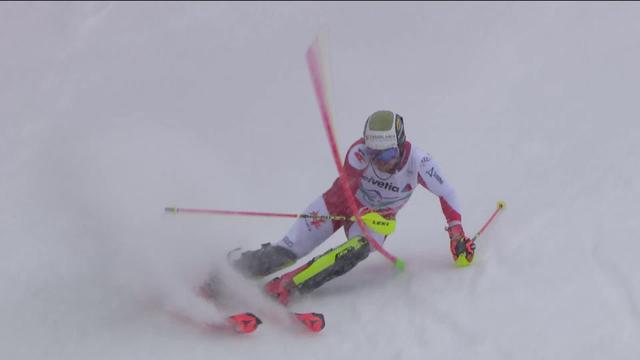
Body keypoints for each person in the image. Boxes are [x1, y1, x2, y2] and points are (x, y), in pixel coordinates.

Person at [229, 110, 475, 305]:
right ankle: (231, 273)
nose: (381, 161)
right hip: (339, 203)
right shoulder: (359, 152)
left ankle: (286, 288)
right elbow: (347, 189)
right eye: (374, 154)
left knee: (357, 249)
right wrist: (360, 209)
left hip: (376, 220)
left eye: (388, 154)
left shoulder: (419, 162)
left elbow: (447, 192)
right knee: (289, 250)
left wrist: (456, 233)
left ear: (400, 145)